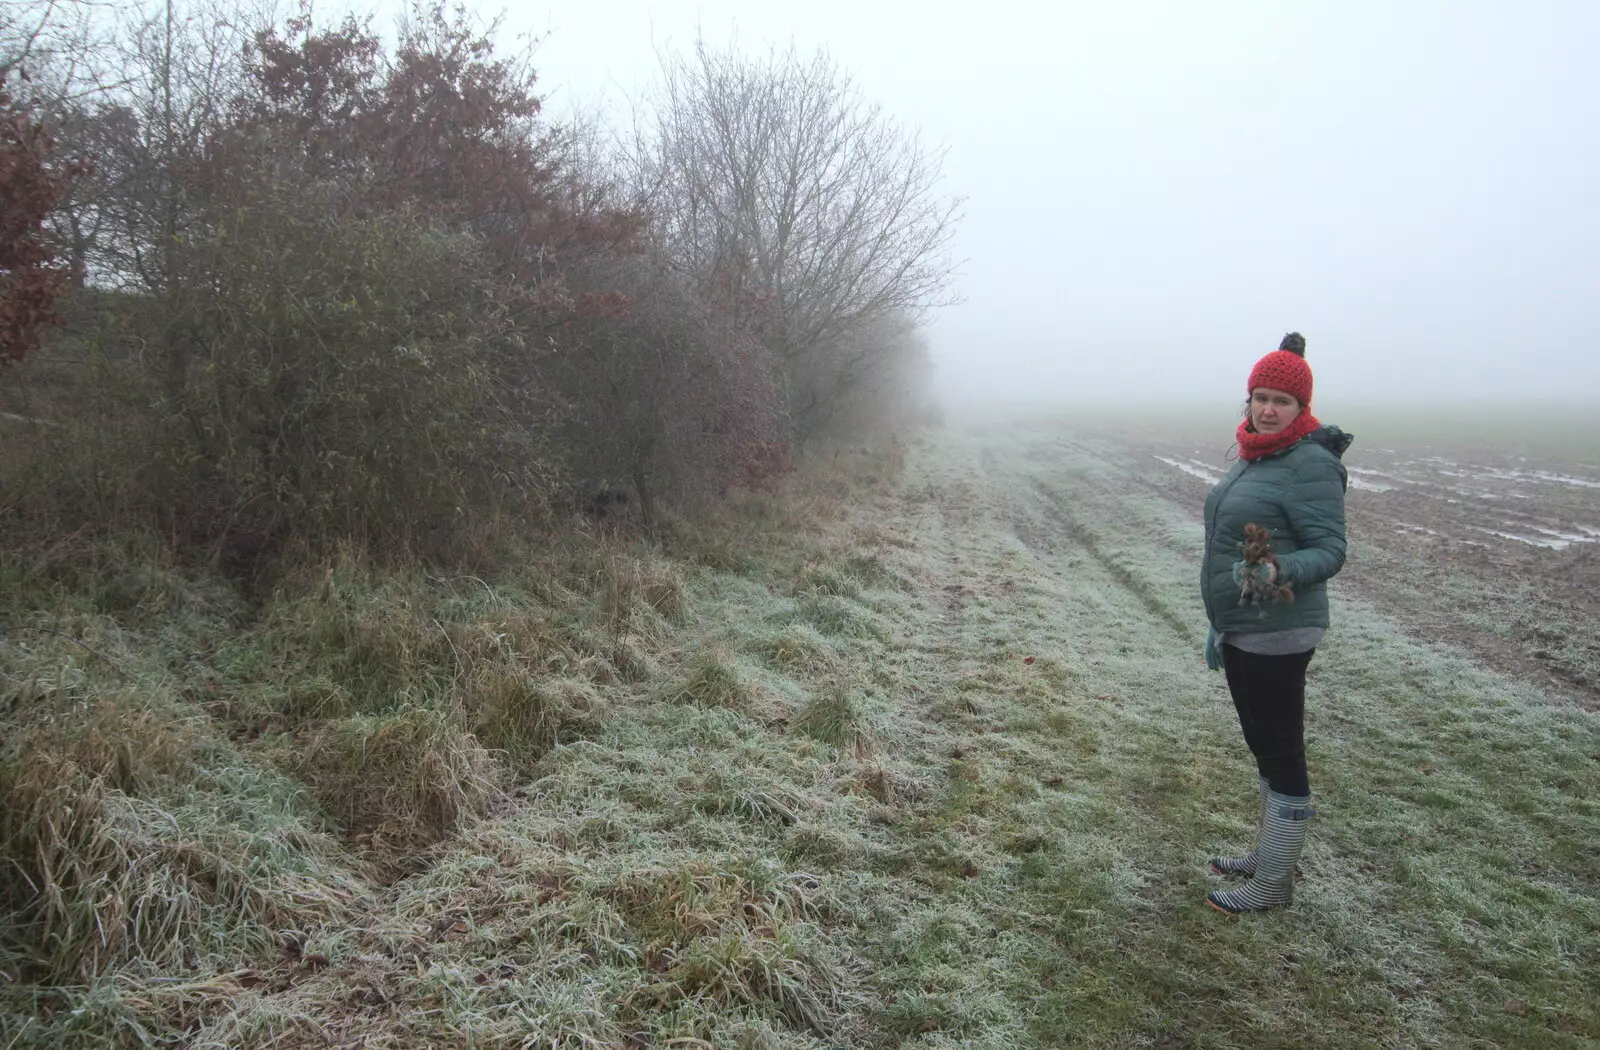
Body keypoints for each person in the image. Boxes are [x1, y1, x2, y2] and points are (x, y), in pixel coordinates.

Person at [1200, 332, 1351, 914]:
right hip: (1245, 623)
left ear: (1301, 408)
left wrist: (1276, 571)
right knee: (1263, 745)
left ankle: (1272, 886)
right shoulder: (1256, 453)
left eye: (1280, 401)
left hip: (1280, 630)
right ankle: (1269, 855)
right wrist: (1225, 618)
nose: (1267, 409)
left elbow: (1331, 550)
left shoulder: (1308, 463)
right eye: (1260, 397)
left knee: (1281, 750)